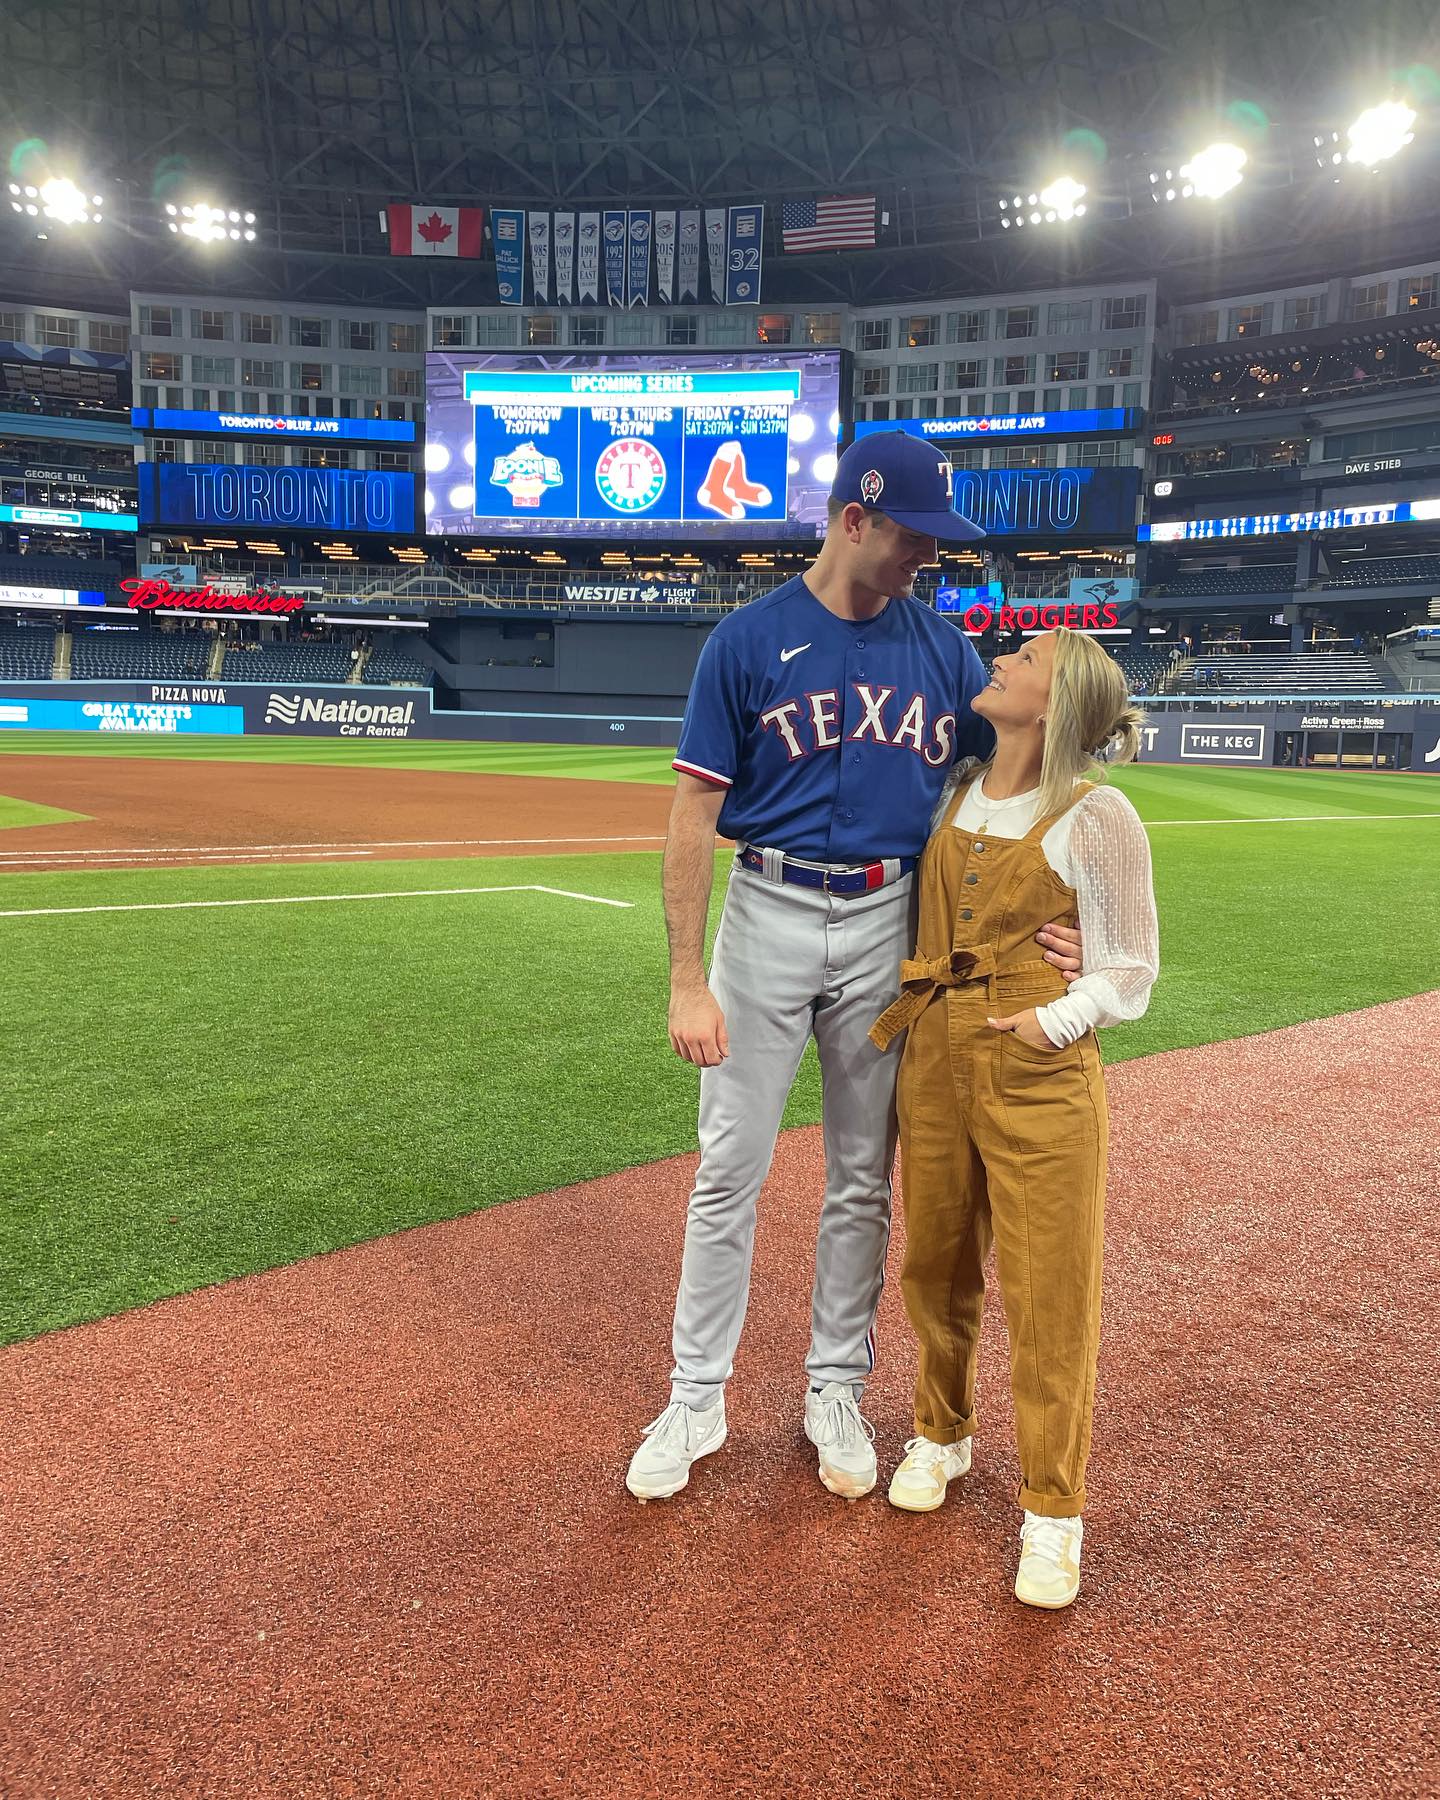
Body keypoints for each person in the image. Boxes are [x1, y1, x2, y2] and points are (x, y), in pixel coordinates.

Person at [625, 433, 1084, 1504]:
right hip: (768, 912)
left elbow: (1019, 781)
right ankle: (696, 1397)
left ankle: (834, 1388)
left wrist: (1078, 920)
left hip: (889, 925)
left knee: (862, 1178)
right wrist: (687, 979)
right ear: (853, 521)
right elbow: (693, 813)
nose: (928, 556)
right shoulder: (746, 641)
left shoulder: (944, 650)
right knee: (729, 1165)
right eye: (915, 536)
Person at [869, 627, 1159, 1609]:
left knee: (1050, 1291)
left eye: (1026, 657)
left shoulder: (1100, 813)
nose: (1004, 660)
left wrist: (1059, 1014)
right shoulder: (951, 788)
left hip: (1040, 1064)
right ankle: (941, 1435)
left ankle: (1053, 1511)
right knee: (935, 1260)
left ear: (1059, 698)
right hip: (935, 1051)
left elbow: (1131, 966)